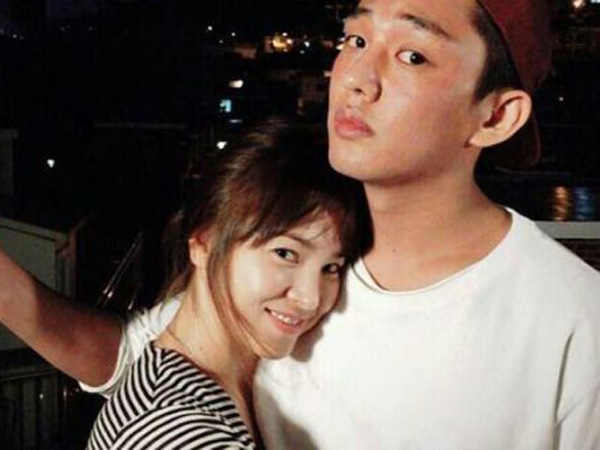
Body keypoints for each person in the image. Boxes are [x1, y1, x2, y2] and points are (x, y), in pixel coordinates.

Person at [1, 0, 599, 448]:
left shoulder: (574, 323)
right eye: (356, 38)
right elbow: (147, 359)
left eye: (412, 55)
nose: (357, 77)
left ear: (496, 115)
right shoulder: (306, 244)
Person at [84, 119, 369, 449]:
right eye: (285, 253)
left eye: (331, 268)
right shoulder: (173, 427)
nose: (311, 298)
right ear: (203, 242)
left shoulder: (229, 383)